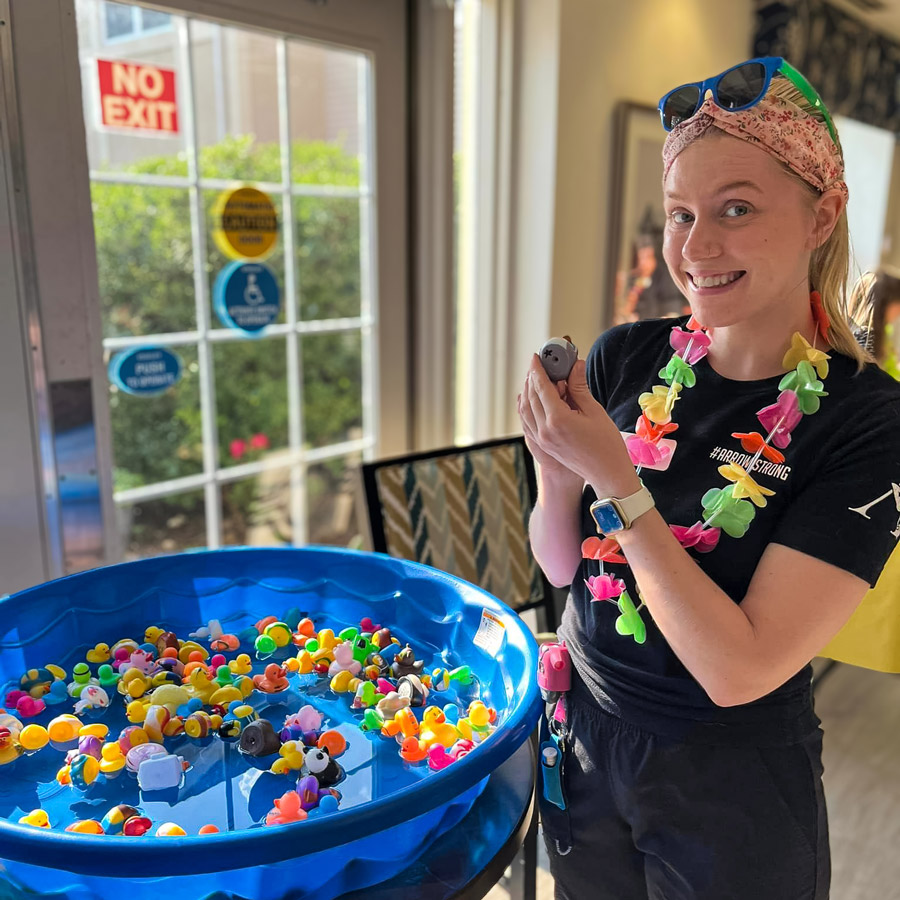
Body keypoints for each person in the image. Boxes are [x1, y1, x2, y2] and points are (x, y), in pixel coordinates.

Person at [518, 57, 900, 900]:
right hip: (582, 737)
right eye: (681, 214)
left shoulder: (869, 418)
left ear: (822, 214)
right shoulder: (628, 355)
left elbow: (739, 671)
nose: (695, 249)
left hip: (729, 783)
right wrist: (556, 468)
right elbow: (559, 568)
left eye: (736, 209)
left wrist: (618, 485)